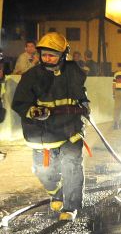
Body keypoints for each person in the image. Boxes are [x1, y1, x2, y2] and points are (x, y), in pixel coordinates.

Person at [11, 32, 90, 221]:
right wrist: (32, 111)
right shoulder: (31, 76)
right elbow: (19, 103)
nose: (47, 58)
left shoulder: (73, 71)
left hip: (70, 129)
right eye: (44, 54)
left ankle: (70, 207)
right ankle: (57, 192)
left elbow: (80, 94)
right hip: (43, 132)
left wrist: (84, 104)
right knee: (43, 171)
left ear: (63, 55)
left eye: (52, 55)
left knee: (71, 166)